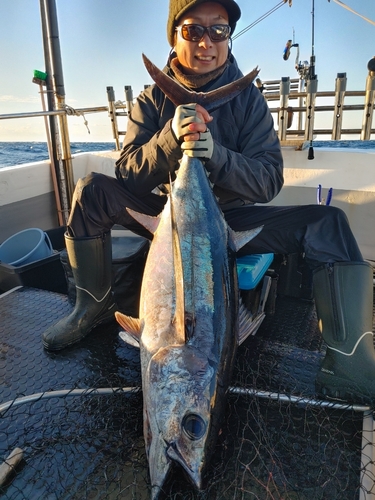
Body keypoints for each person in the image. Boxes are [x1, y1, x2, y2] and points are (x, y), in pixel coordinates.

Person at [42, 0, 375, 405]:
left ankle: (350, 361)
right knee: (91, 190)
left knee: (329, 223)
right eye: (192, 30)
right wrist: (168, 139)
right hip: (166, 215)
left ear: (228, 38)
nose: (206, 41)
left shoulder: (248, 101)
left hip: (231, 221)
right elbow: (128, 170)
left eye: (218, 30)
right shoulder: (152, 100)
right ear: (175, 36)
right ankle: (90, 308)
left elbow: (268, 179)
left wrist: (216, 155)